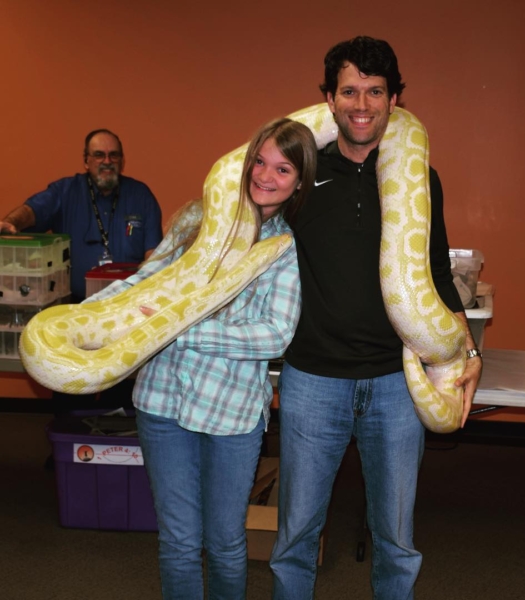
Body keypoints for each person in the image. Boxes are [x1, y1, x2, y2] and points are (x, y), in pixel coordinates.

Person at [269, 36, 483, 599]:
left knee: (396, 540)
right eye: (349, 91)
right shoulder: (302, 174)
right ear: (329, 100)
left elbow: (437, 272)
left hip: (395, 381)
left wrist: (470, 352)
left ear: (394, 101)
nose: (361, 104)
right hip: (313, 378)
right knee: (295, 537)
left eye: (374, 91)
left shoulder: (420, 178)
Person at [87, 118, 317, 599]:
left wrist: (181, 327)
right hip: (161, 401)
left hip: (231, 412)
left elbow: (274, 335)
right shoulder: (196, 222)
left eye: (282, 169)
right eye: (259, 161)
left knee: (226, 541)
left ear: (298, 183)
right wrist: (90, 312)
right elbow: (145, 284)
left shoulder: (283, 250)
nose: (265, 176)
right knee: (177, 542)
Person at [0, 129, 163, 302]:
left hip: (128, 303)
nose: (107, 161)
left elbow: (155, 257)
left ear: (122, 161)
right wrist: (10, 222)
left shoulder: (141, 196)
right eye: (99, 155)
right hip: (73, 305)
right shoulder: (65, 192)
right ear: (86, 161)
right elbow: (33, 210)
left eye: (114, 155)